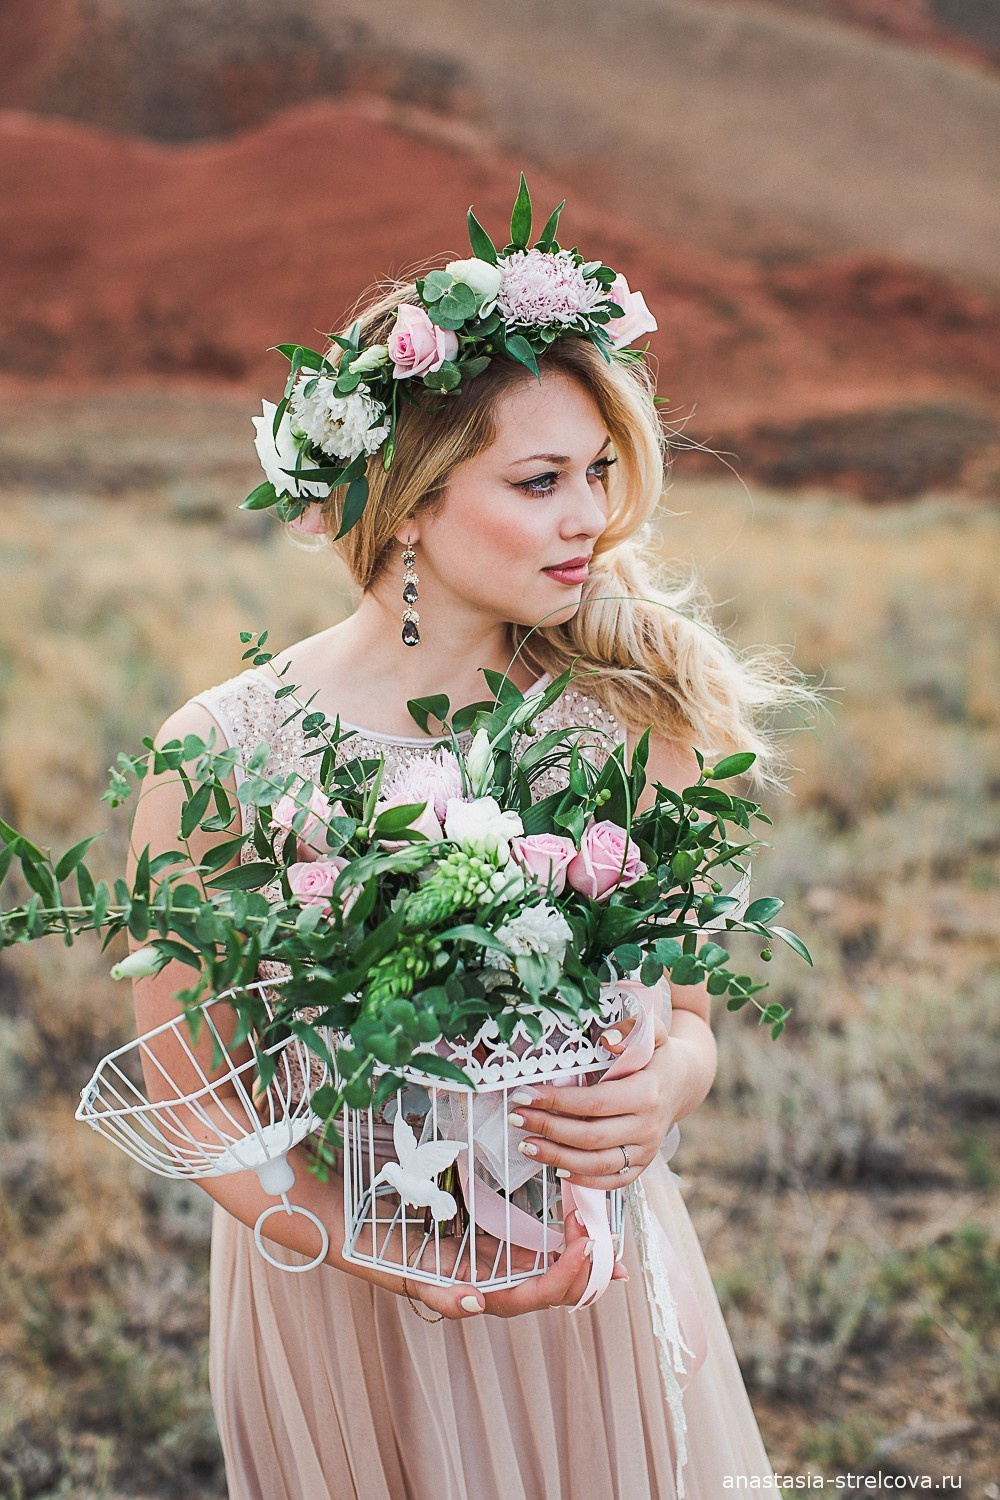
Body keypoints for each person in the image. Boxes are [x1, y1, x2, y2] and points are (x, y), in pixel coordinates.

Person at [126, 200, 816, 1498]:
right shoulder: (225, 752)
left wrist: (659, 1094)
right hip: (349, 1308)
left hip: (586, 1286)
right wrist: (380, 1249)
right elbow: (185, 1086)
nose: (591, 522)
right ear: (405, 506)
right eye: (540, 482)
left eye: (599, 472)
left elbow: (686, 1020)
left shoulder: (627, 719)